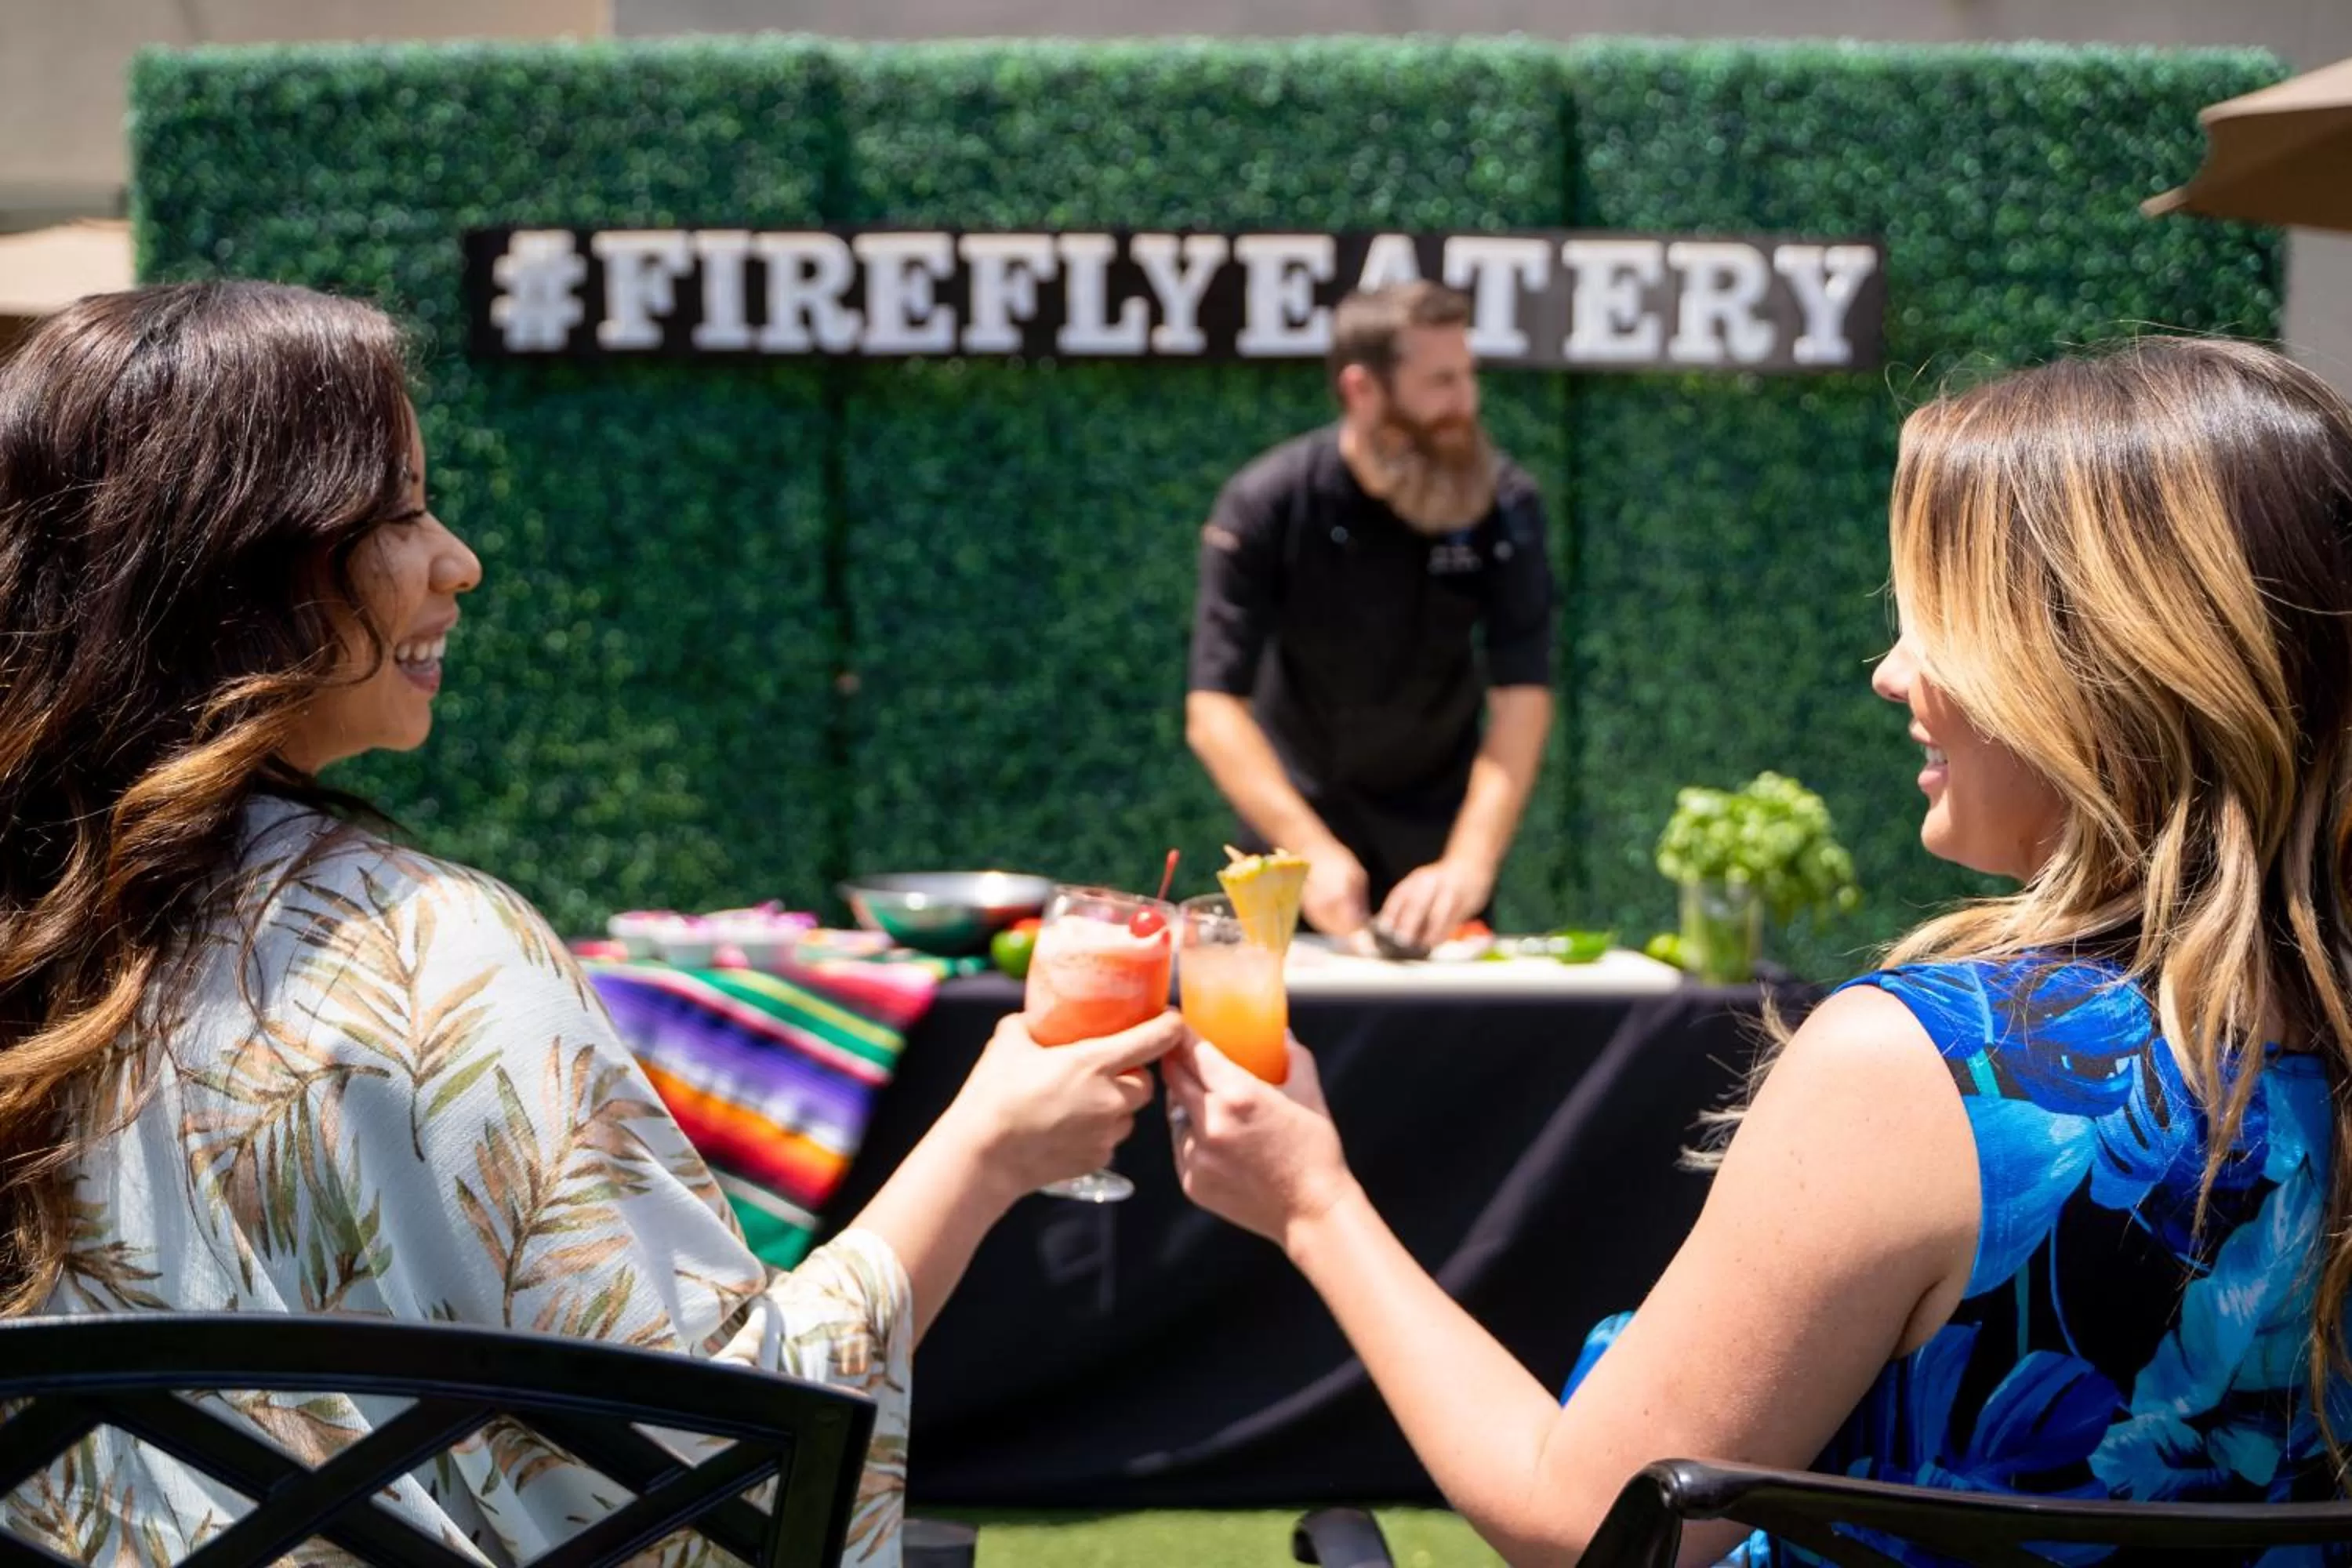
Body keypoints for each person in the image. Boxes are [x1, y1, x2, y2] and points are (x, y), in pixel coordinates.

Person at [0, 281, 1180, 1568]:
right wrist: (989, 1148)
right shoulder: (430, 955)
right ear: (232, 565)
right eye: (398, 512)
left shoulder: (40, 942)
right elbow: (711, 1478)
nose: (460, 559)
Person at [1167, 336, 2352, 1565]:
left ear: (2104, 667)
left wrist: (1313, 1203)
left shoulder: (1933, 1072)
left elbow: (1587, 1524)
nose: (1891, 672)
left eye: (1946, 623)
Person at [1185, 280, 1555, 949]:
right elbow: (1214, 712)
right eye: (1440, 382)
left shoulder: (1506, 503)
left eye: (1468, 376)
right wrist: (1308, 852)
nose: (1465, 402)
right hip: (1293, 841)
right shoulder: (1268, 501)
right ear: (1361, 389)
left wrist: (1469, 864)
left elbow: (1522, 698)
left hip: (1437, 850)